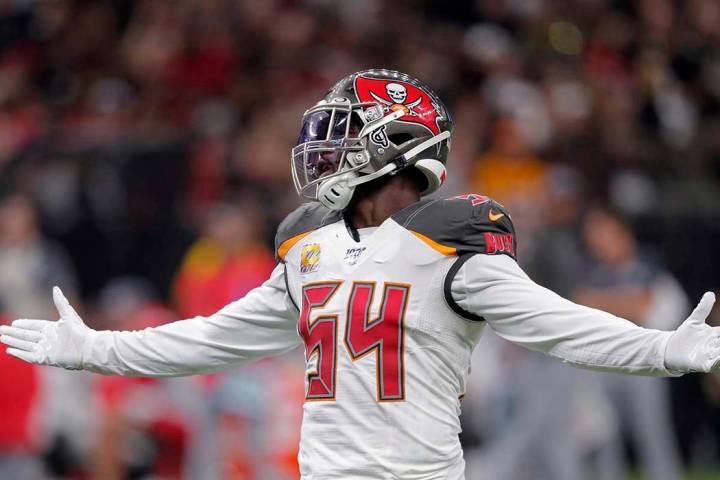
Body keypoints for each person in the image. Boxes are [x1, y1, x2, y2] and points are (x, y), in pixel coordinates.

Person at [1, 69, 719, 480]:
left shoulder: (450, 244)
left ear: (395, 146)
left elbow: (560, 327)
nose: (321, 146)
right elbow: (205, 341)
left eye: (343, 130)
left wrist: (662, 349)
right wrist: (93, 349)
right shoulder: (308, 247)